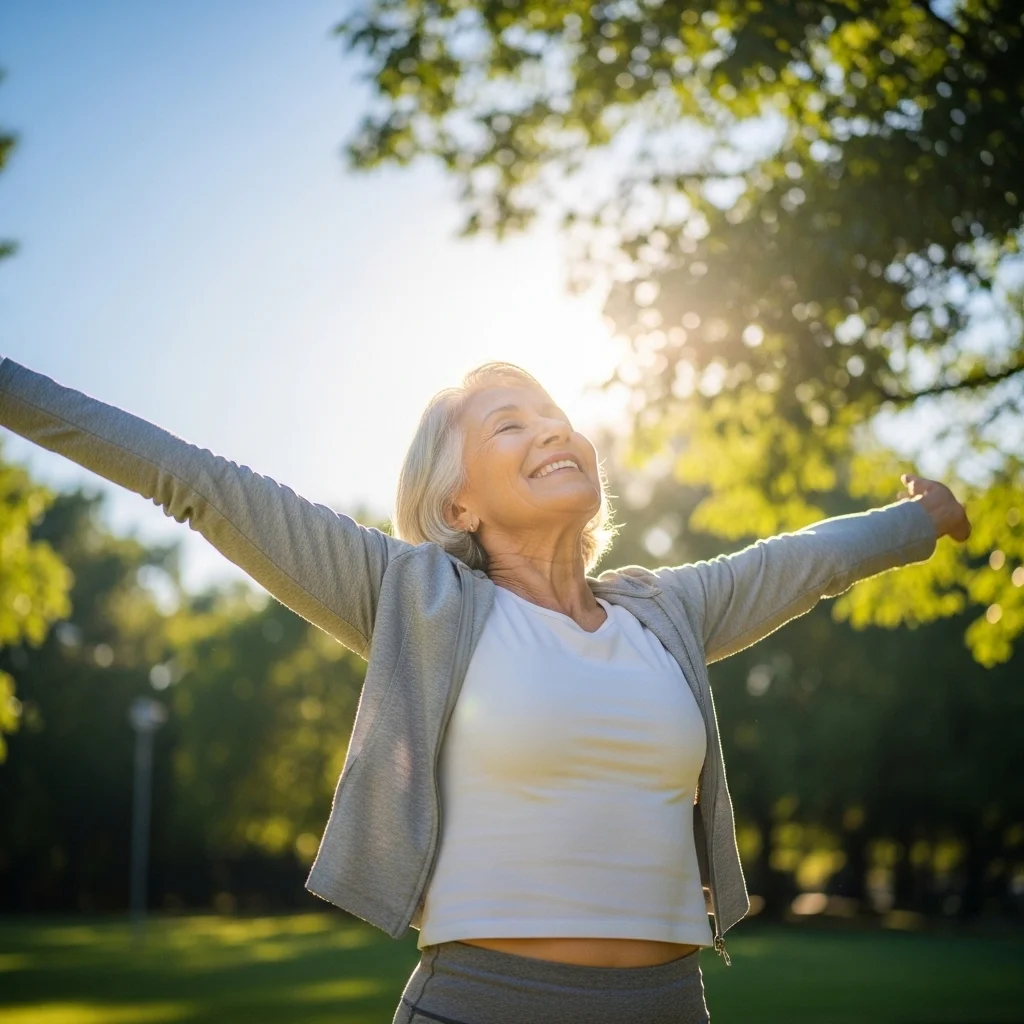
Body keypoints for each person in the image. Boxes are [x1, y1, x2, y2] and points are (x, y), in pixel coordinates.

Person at [0, 356, 969, 1023]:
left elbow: (799, 561)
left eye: (557, 417)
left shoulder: (665, 611)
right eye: (512, 423)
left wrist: (913, 521)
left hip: (669, 1006)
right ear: (456, 500)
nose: (554, 430)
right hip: (482, 1002)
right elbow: (195, 480)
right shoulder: (410, 598)